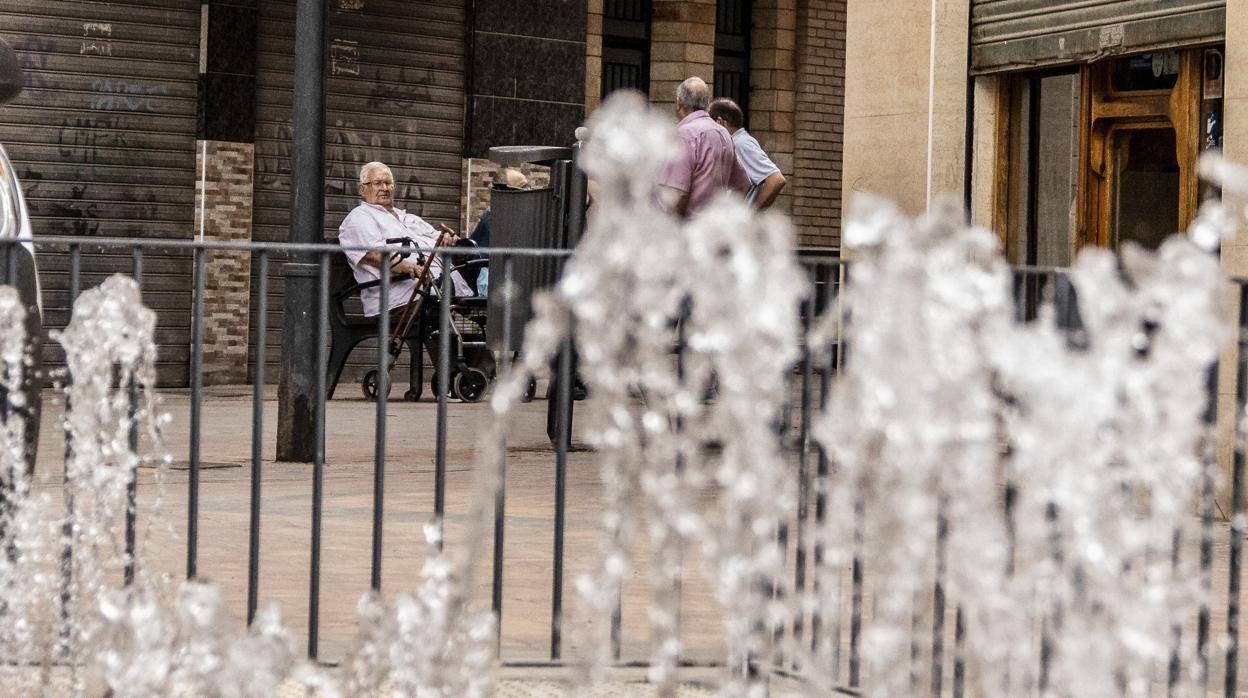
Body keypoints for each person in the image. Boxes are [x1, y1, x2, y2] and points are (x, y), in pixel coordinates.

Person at [338, 161, 472, 317]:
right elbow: (373, 254)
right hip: (401, 299)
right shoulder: (359, 217)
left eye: (388, 183)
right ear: (363, 189)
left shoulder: (408, 218)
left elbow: (438, 239)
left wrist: (448, 239)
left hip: (443, 293)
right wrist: (409, 267)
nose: (385, 188)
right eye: (377, 183)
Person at [658, 76, 750, 219]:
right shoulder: (724, 133)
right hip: (715, 230)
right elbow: (743, 185)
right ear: (707, 103)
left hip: (688, 232)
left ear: (679, 102)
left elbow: (677, 194)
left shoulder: (684, 135)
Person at [708, 97, 787, 211]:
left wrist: (751, 215)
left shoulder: (741, 144)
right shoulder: (736, 143)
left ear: (719, 122)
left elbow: (776, 180)